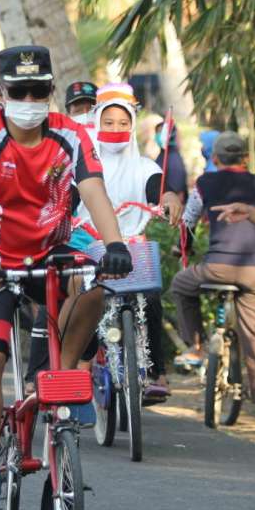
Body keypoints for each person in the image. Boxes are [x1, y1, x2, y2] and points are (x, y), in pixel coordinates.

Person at [0, 45, 132, 510]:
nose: (29, 99)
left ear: (51, 91)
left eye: (38, 90)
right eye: (18, 91)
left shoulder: (71, 134)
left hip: (48, 255)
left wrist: (115, 244)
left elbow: (94, 189)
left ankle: (61, 379)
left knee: (97, 286)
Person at [170, 132, 255, 433]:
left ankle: (196, 347)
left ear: (215, 159)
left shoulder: (204, 184)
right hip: (253, 270)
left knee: (182, 284)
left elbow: (188, 222)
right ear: (245, 159)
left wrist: (181, 249)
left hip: (216, 268)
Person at [74, 82, 173, 402]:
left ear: (132, 125)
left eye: (123, 123)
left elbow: (159, 191)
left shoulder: (145, 166)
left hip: (133, 244)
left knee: (153, 299)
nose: (116, 129)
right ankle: (81, 364)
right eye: (108, 122)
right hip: (90, 242)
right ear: (96, 122)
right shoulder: (83, 164)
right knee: (82, 303)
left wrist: (169, 198)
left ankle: (157, 372)